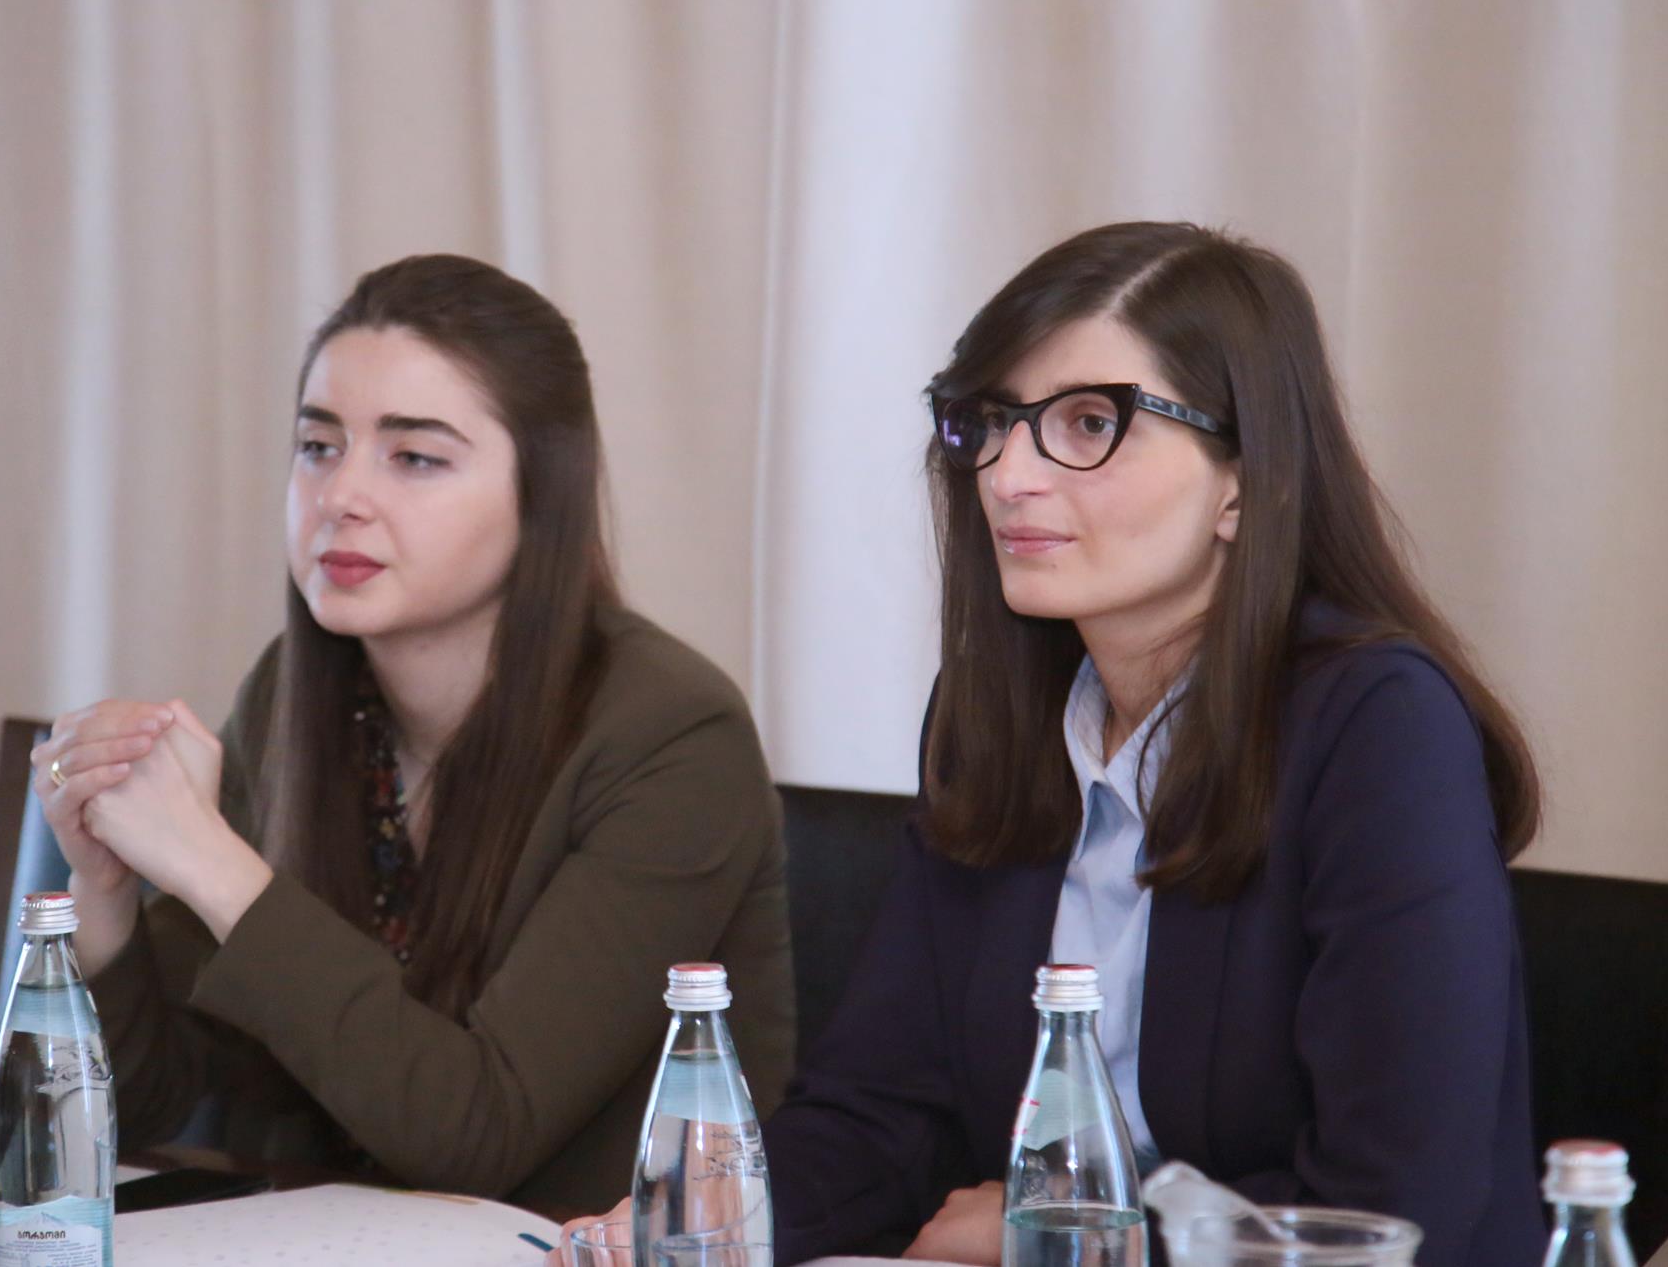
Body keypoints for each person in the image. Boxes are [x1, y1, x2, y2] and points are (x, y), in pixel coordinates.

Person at [560, 222, 1544, 1266]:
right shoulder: (1000, 716)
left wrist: (1066, 1231)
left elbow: (1391, 1204)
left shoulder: (1377, 723)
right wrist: (718, 1219)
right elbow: (885, 1109)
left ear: (1245, 478)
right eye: (991, 422)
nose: (1007, 474)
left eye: (1088, 423)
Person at [27, 254, 795, 1217]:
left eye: (415, 457)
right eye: (318, 446)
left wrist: (212, 865)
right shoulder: (293, 693)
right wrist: (104, 895)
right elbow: (136, 1110)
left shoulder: (676, 739)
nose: (341, 495)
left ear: (542, 492)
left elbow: (478, 1132)